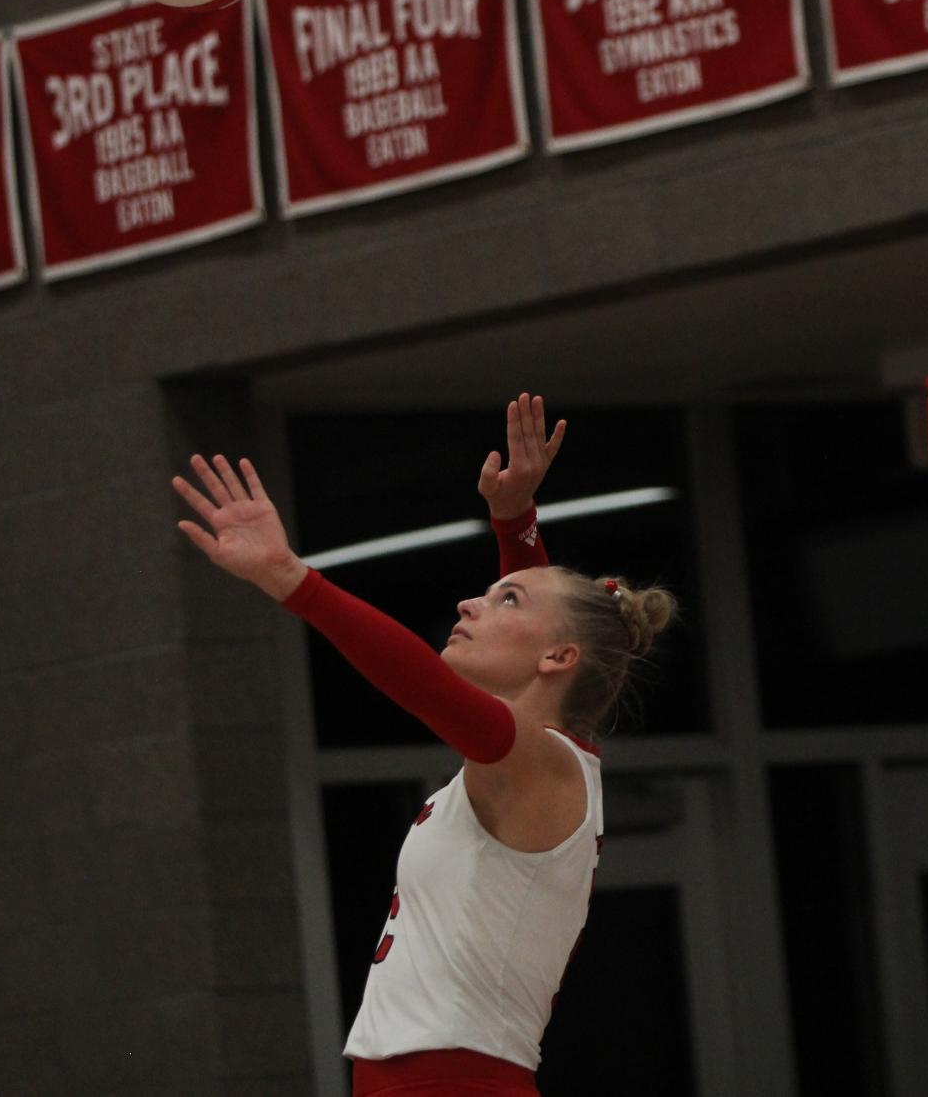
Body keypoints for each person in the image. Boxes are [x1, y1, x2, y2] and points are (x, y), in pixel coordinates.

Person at [171, 393, 676, 1096]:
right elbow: (557, 637)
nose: (470, 602)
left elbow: (425, 686)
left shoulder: (540, 765)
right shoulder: (538, 757)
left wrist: (291, 579)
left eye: (503, 601)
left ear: (558, 658)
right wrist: (515, 522)